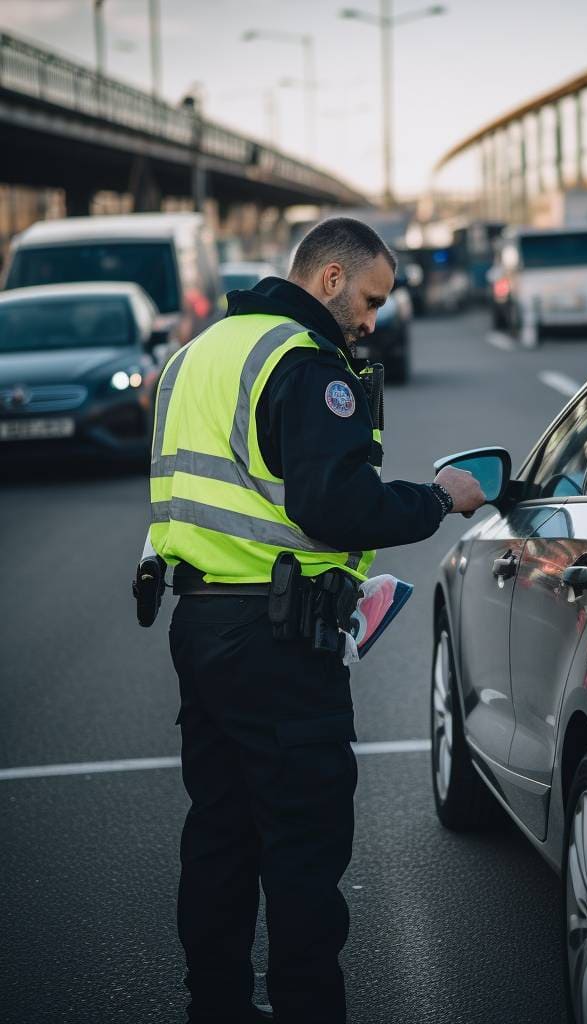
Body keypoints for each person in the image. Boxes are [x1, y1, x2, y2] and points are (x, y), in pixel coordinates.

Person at [148, 217, 485, 1024]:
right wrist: (440, 499)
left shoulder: (199, 355)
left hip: (200, 623)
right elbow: (333, 505)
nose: (372, 321)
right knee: (302, 846)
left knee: (220, 835)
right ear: (329, 279)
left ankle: (217, 1007)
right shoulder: (304, 364)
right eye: (369, 300)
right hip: (280, 640)